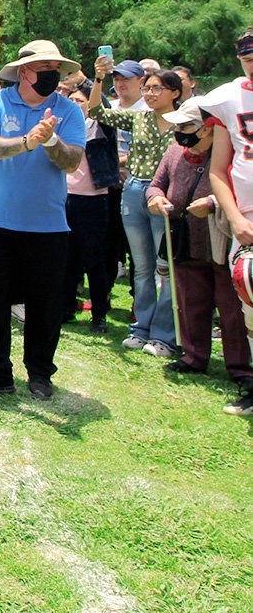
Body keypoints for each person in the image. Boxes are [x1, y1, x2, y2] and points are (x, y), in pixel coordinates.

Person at [0, 40, 85, 398]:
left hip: (48, 226)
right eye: (45, 69)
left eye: (56, 70)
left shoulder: (69, 111)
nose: (52, 75)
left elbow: (72, 161)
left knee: (45, 305)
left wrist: (51, 142)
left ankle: (40, 374)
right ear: (24, 71)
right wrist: (27, 141)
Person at [146, 97, 253, 403]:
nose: (180, 131)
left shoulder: (228, 152)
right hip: (184, 241)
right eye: (177, 125)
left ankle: (240, 366)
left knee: (232, 310)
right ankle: (194, 357)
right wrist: (156, 199)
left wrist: (212, 203)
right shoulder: (173, 153)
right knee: (190, 302)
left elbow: (238, 192)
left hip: (220, 242)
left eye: (187, 125)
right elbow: (156, 184)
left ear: (208, 128)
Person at [89, 61, 182, 356]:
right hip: (134, 191)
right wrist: (99, 79)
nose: (151, 93)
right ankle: (141, 328)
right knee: (141, 268)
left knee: (165, 268)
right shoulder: (138, 117)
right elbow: (96, 112)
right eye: (148, 88)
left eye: (157, 88)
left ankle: (164, 335)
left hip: (165, 196)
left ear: (175, 92)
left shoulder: (185, 121)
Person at [201, 26, 253, 415]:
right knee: (249, 307)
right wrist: (235, 217)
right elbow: (219, 169)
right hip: (246, 220)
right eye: (248, 61)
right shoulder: (227, 100)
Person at [61, 87, 119, 333]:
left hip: (93, 200)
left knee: (94, 260)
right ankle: (65, 309)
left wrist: (97, 80)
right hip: (65, 198)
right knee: (66, 258)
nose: (75, 104)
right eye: (71, 99)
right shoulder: (62, 126)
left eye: (80, 100)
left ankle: (99, 314)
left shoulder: (100, 128)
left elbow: (98, 107)